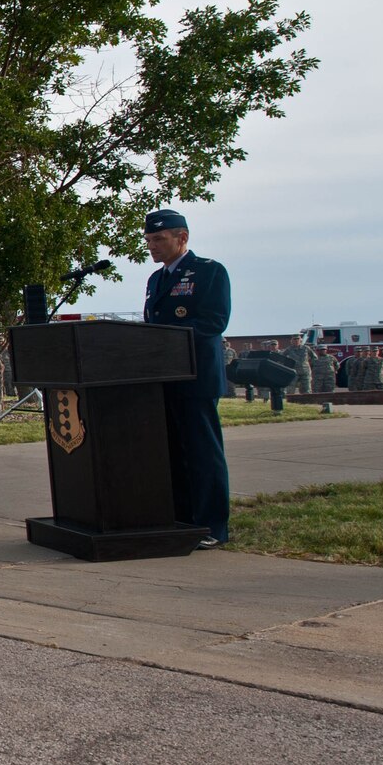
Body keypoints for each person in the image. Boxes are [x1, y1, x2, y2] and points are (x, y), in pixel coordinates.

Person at [142, 207, 231, 548]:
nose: (152, 246)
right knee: (173, 454)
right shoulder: (156, 280)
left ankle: (211, 526)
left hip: (196, 378)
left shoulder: (209, 272)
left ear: (182, 238)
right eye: (149, 240)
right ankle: (181, 519)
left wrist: (166, 337)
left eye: (159, 239)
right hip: (164, 380)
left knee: (202, 453)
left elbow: (213, 322)